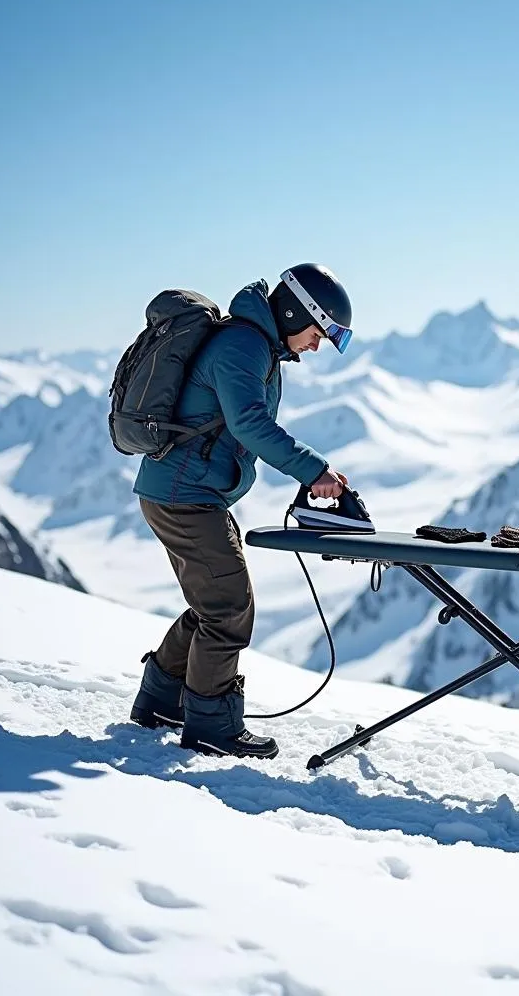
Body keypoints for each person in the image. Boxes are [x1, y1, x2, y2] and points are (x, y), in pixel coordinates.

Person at [128, 263, 354, 759]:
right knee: (229, 611)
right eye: (317, 334)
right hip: (184, 496)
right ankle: (211, 724)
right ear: (296, 313)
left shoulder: (256, 347)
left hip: (185, 493)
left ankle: (161, 701)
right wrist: (313, 470)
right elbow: (249, 424)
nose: (316, 347)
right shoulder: (243, 347)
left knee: (214, 605)